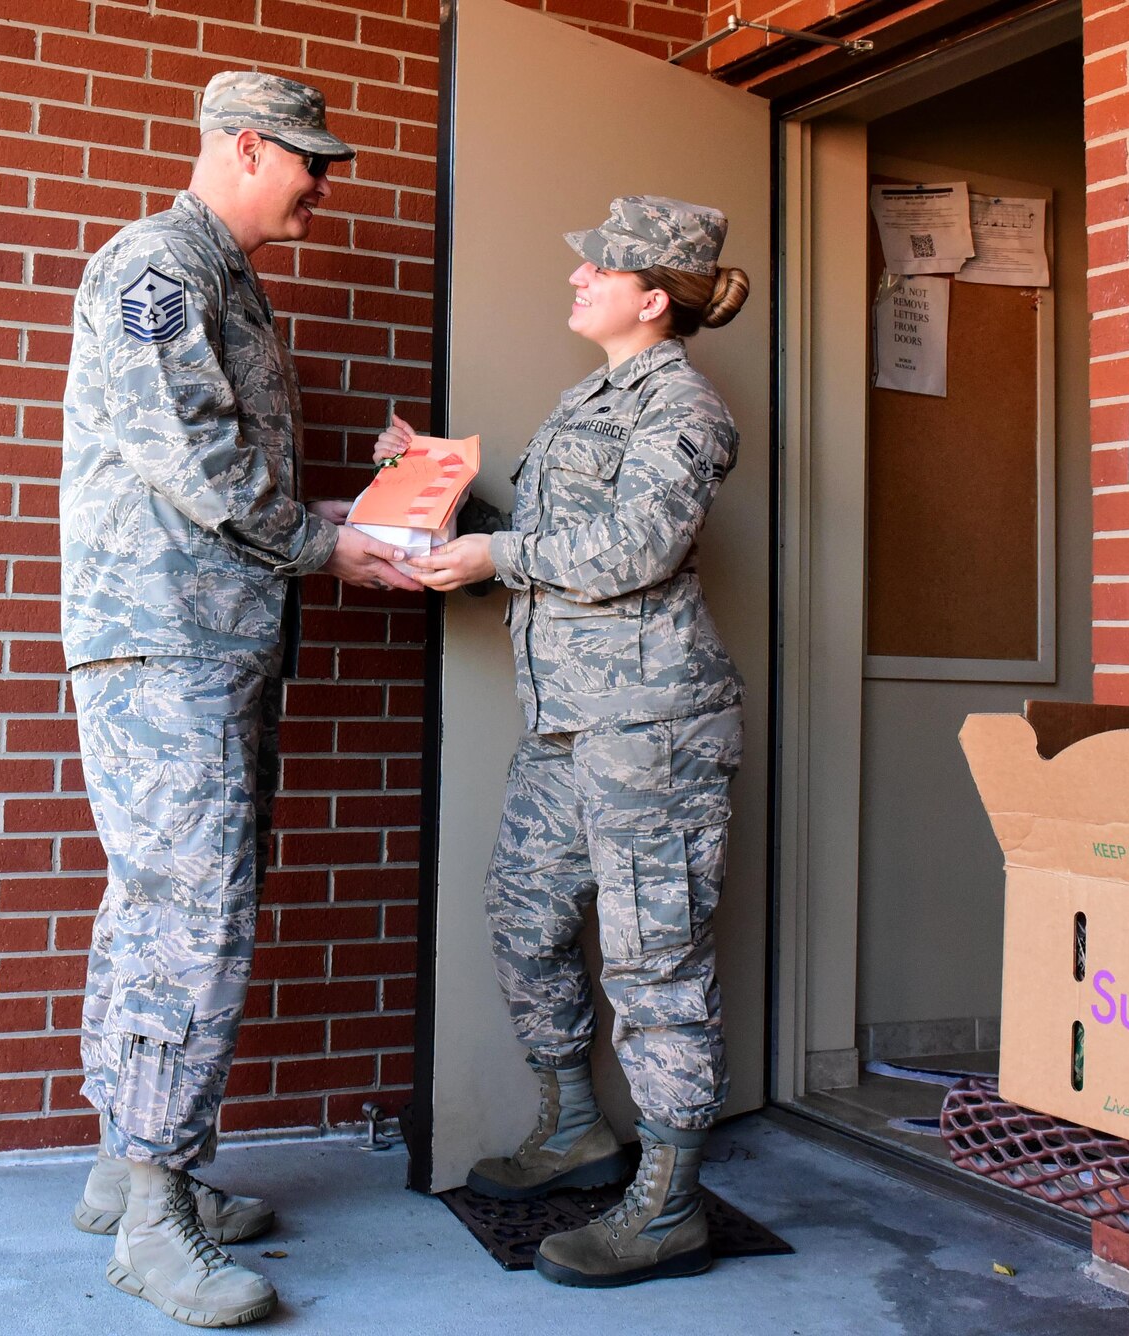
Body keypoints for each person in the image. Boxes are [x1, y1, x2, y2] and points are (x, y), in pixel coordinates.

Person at [59, 70, 419, 1329]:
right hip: (167, 646)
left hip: (201, 639)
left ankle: (128, 1169)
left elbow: (211, 478)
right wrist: (323, 545)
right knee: (192, 915)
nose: (322, 185)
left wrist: (342, 517)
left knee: (159, 901)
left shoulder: (224, 277)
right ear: (246, 145)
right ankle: (158, 1218)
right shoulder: (161, 265)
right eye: (309, 161)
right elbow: (193, 454)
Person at [386, 195, 751, 1288]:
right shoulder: (591, 397)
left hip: (652, 730)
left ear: (652, 298)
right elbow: (560, 533)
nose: (576, 278)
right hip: (567, 721)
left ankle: (668, 1199)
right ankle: (573, 1125)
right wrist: (436, 481)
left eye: (597, 267)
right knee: (522, 915)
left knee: (656, 956)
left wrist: (496, 556)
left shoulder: (683, 406)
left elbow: (635, 545)